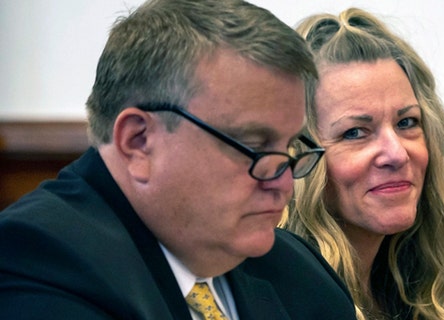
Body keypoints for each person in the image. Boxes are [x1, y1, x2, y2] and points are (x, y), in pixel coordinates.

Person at [0, 0, 357, 319]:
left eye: (291, 147)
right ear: (138, 142)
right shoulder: (34, 260)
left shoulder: (297, 271)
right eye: (254, 147)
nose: (283, 182)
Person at [281, 8, 444, 320]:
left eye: (407, 123)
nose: (397, 154)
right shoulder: (280, 300)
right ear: (298, 156)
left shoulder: (402, 292)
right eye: (355, 132)